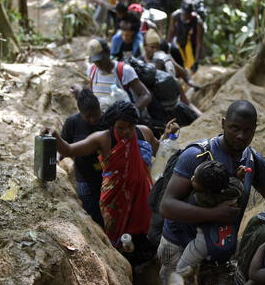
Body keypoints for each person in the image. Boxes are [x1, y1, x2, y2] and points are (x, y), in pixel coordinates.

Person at [157, 100, 265, 284]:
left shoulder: (253, 161)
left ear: (255, 129)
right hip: (179, 246)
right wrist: (213, 214)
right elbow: (166, 207)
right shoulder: (197, 155)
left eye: (248, 131)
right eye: (234, 128)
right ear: (223, 123)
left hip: (217, 249)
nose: (240, 135)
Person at [46, 101, 179, 246]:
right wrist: (56, 137)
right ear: (112, 125)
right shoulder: (103, 139)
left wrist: (166, 135)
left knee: (143, 234)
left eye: (130, 126)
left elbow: (159, 152)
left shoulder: (144, 132)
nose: (126, 131)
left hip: (142, 194)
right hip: (115, 200)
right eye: (121, 128)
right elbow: (69, 150)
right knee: (117, 238)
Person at [175, 161, 247, 275]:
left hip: (204, 240)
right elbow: (237, 184)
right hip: (229, 234)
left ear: (207, 190)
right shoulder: (235, 190)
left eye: (195, 180)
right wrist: (238, 177)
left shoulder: (200, 199)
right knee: (238, 256)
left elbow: (185, 208)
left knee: (181, 269)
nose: (192, 178)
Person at [59, 89, 104, 228]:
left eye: (96, 115)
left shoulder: (108, 121)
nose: (93, 120)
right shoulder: (72, 123)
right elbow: (63, 145)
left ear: (100, 109)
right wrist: (56, 160)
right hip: (84, 177)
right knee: (92, 213)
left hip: (107, 177)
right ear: (80, 113)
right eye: (88, 116)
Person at [85, 37, 151, 111]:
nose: (98, 63)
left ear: (108, 52)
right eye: (95, 60)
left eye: (100, 59)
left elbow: (146, 95)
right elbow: (91, 92)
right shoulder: (92, 70)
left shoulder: (124, 71)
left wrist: (130, 111)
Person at [167, 0, 204, 72]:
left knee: (191, 67)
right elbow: (171, 33)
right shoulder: (175, 16)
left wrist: (196, 61)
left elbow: (199, 42)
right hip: (178, 44)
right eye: (184, 13)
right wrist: (167, 50)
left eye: (188, 13)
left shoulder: (198, 22)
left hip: (191, 46)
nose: (185, 15)